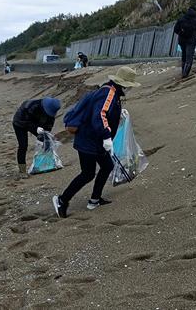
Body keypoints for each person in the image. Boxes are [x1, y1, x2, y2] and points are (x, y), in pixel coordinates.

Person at [52, 66, 141, 218]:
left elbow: (105, 112)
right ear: (123, 84)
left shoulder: (112, 92)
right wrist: (106, 136)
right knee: (87, 174)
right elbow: (99, 115)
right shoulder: (108, 93)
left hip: (96, 140)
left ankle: (94, 199)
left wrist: (119, 114)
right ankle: (62, 200)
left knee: (107, 166)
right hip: (88, 139)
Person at [12, 97, 61, 179]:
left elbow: (48, 126)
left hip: (35, 123)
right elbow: (23, 120)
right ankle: (22, 171)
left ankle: (47, 164)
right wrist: (35, 128)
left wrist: (45, 134)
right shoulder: (31, 106)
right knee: (23, 146)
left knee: (45, 141)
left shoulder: (51, 113)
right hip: (20, 123)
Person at [173, 6, 196, 78]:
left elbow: (175, 29)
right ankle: (185, 74)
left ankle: (183, 71)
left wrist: (181, 33)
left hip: (182, 39)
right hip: (192, 40)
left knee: (184, 55)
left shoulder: (182, 18)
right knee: (189, 56)